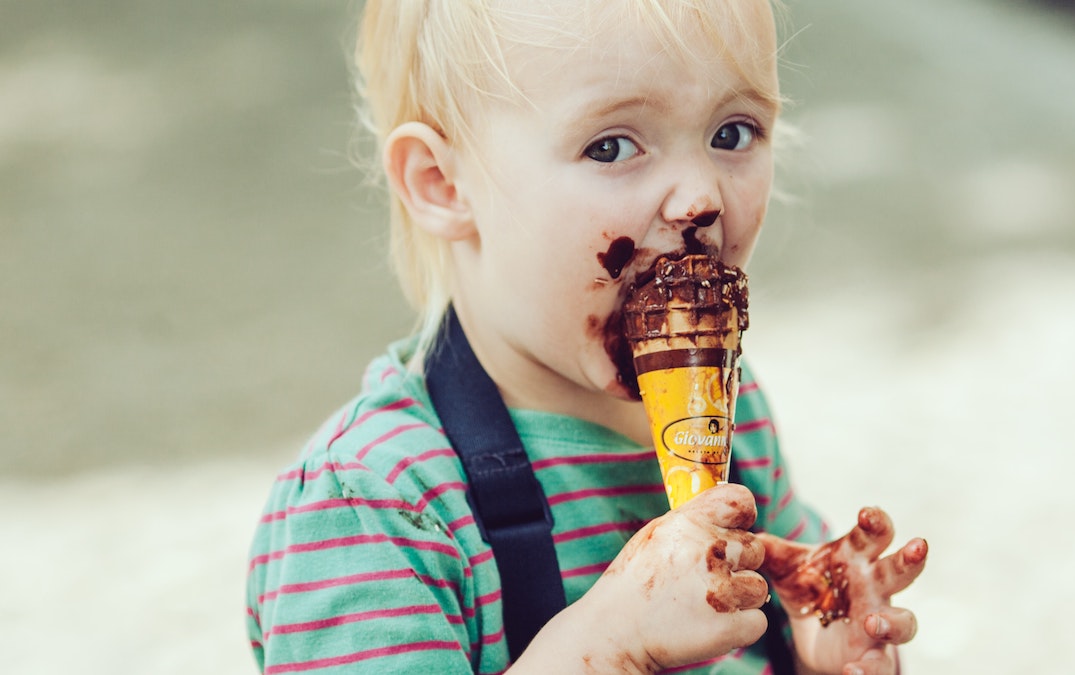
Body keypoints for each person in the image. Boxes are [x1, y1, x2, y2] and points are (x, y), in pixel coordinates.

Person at [245, 1, 928, 673]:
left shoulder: (734, 415)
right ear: (443, 183)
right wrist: (608, 648)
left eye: (733, 132)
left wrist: (817, 647)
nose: (701, 197)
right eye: (611, 146)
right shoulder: (379, 506)